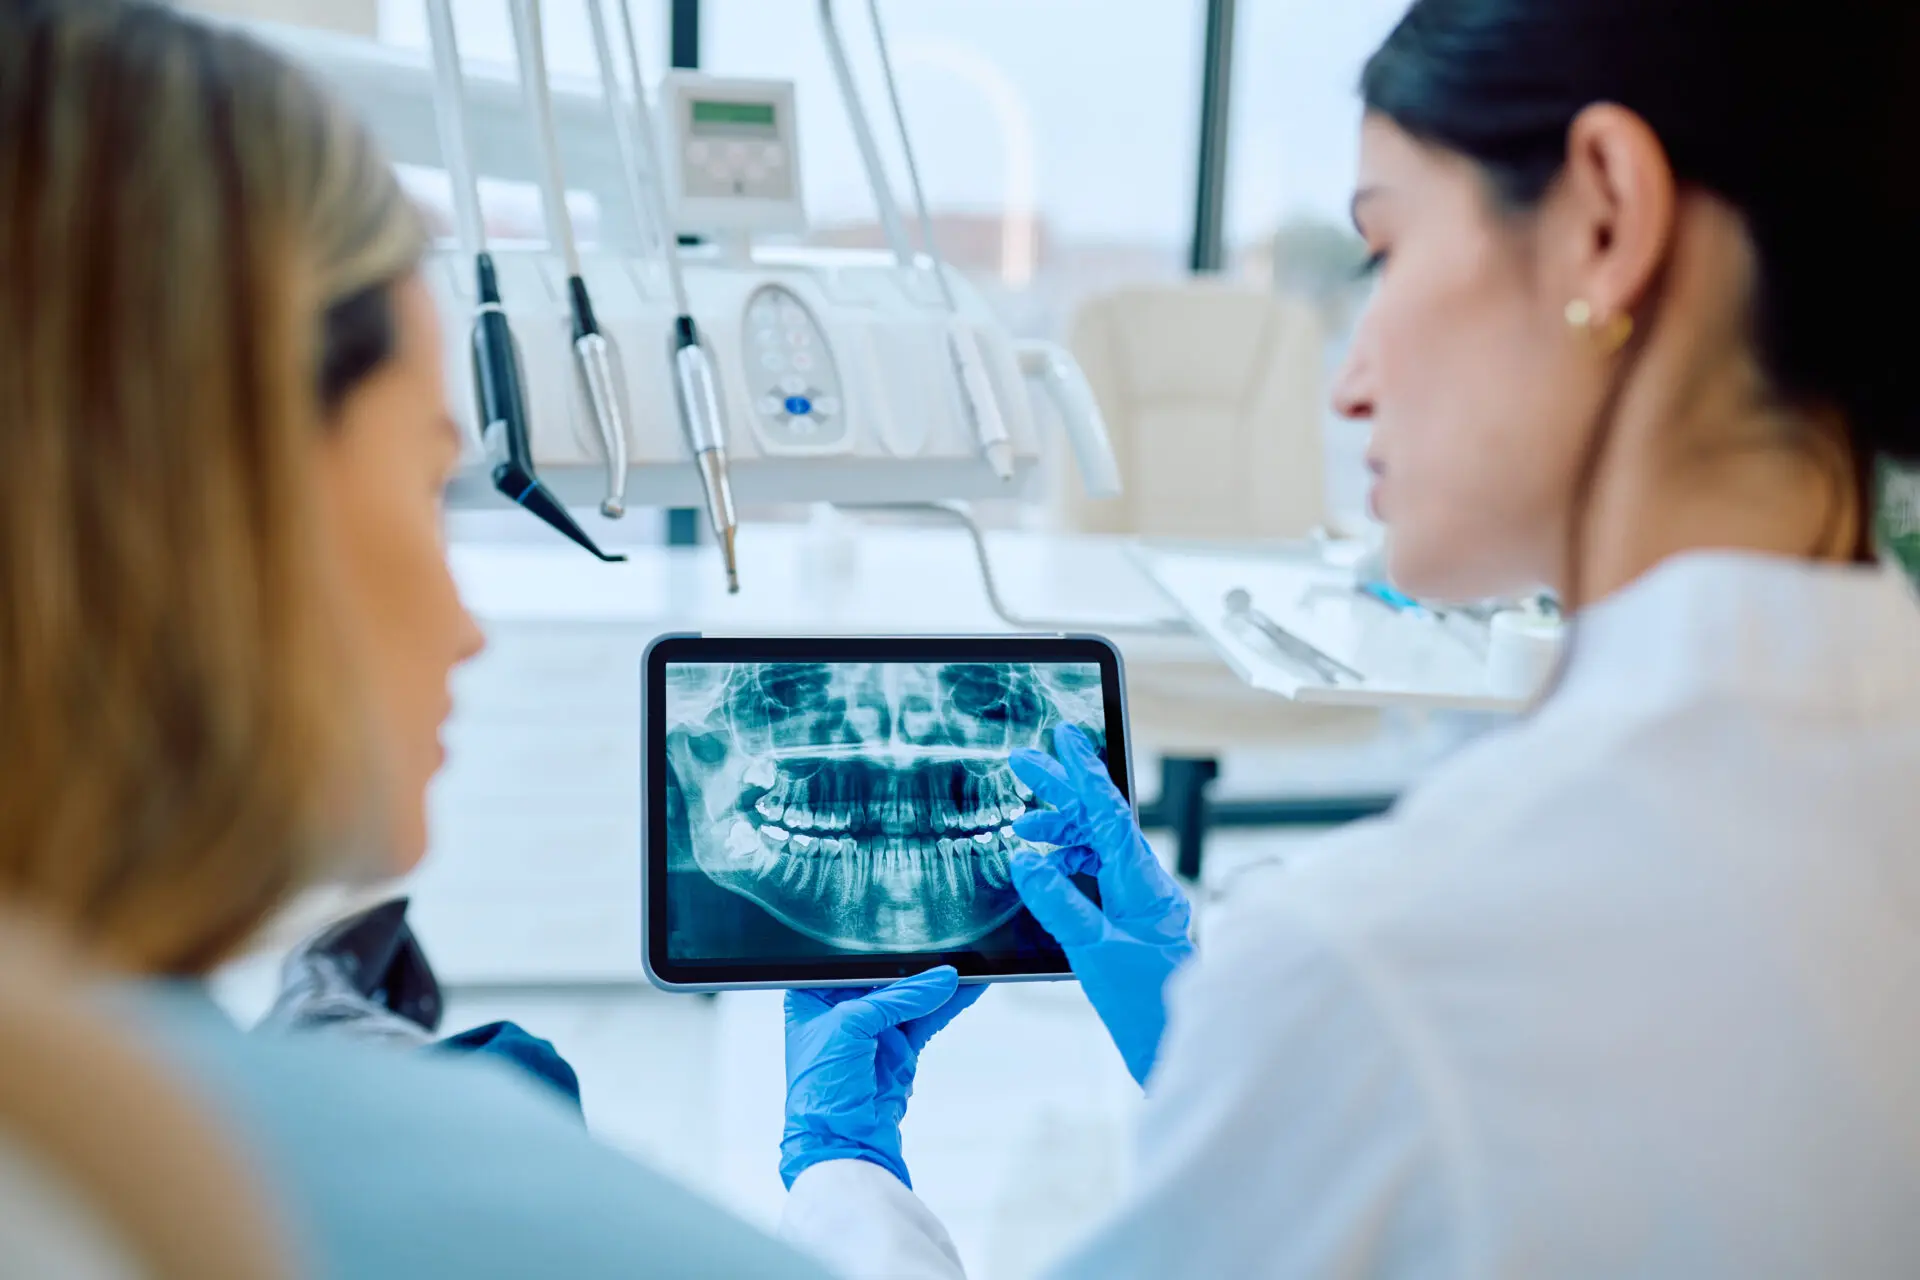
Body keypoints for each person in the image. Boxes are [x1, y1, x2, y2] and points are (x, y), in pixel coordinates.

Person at [775, 0, 1920, 1274]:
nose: (1348, 380)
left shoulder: (1385, 962)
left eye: (1384, 251)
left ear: (1606, 218)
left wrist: (845, 1173)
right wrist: (1250, 1070)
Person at [0, 3, 830, 1275]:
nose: (463, 627)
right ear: (221, 499)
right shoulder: (404, 1198)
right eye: (425, 487)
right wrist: (848, 1170)